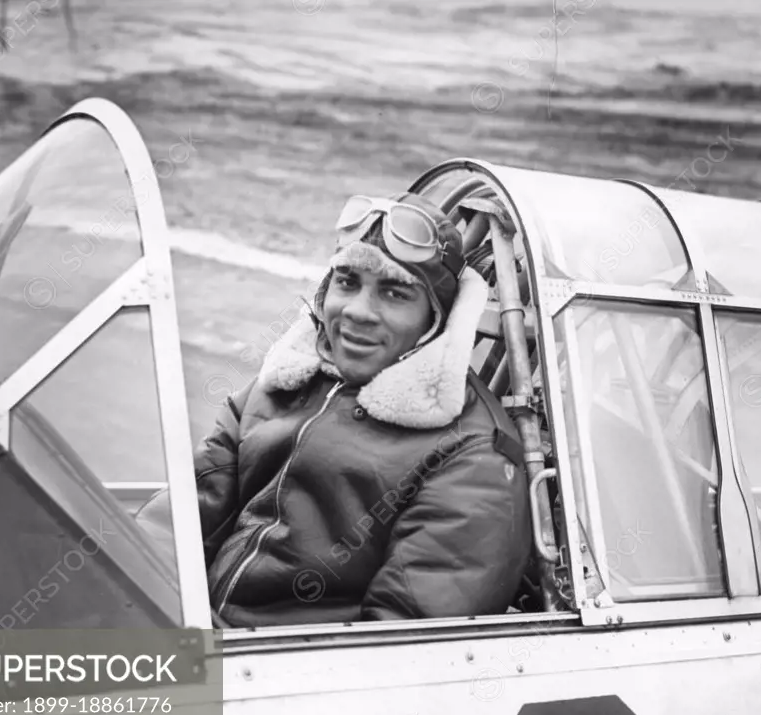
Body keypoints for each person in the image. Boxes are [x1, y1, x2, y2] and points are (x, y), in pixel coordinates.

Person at [142, 192, 532, 627]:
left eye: (395, 292)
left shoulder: (473, 454)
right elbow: (175, 523)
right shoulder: (283, 384)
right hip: (180, 629)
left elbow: (402, 646)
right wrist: (137, 594)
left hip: (279, 675)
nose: (358, 312)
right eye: (347, 281)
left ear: (436, 318)